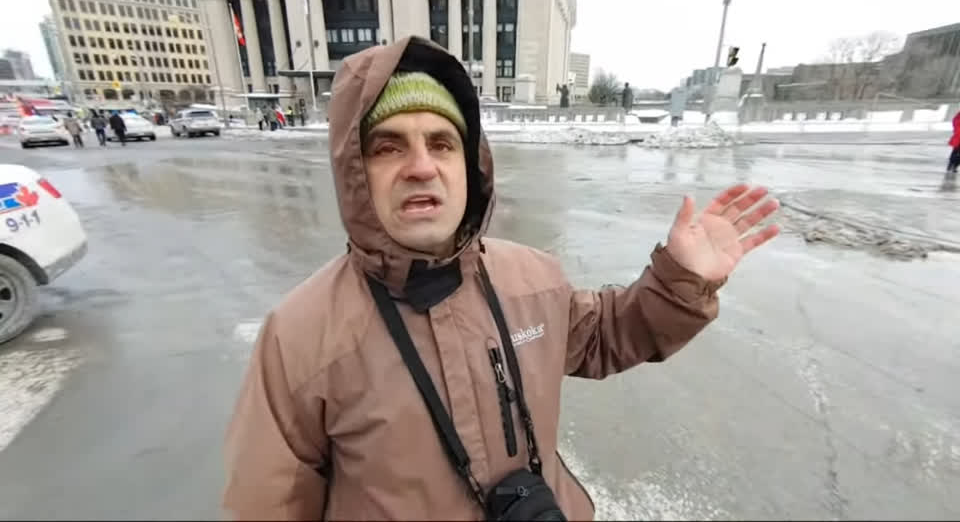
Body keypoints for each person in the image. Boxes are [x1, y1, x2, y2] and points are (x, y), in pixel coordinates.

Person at [223, 36, 781, 521]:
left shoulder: (530, 278)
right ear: (353, 169)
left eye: (442, 143)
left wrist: (679, 279)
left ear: (470, 165)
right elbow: (266, 505)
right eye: (388, 146)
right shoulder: (298, 338)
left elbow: (607, 333)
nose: (421, 166)